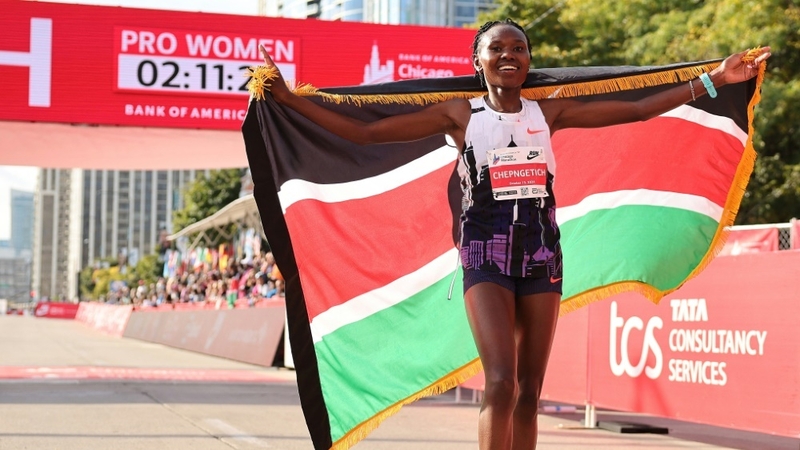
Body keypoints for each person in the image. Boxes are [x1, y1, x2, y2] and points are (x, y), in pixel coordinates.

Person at [258, 19, 770, 450]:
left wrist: (715, 80)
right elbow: (365, 133)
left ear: (527, 60)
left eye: (518, 48)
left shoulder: (548, 113)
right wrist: (286, 98)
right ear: (478, 60)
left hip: (542, 250)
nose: (509, 55)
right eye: (496, 48)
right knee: (500, 383)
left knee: (529, 390)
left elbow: (636, 110)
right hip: (485, 248)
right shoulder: (460, 115)